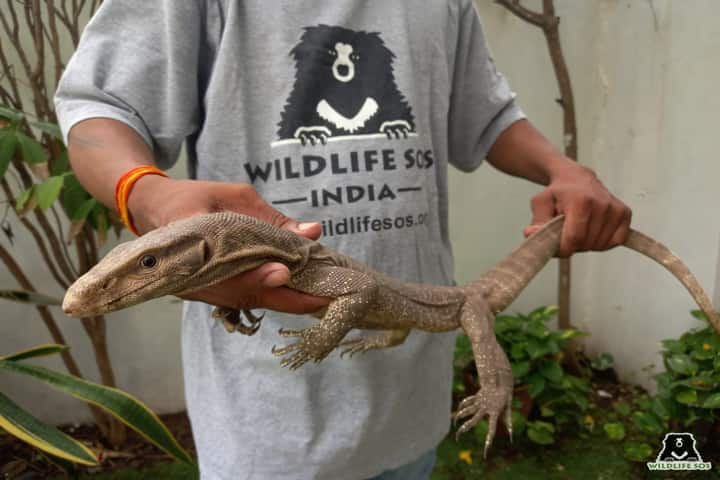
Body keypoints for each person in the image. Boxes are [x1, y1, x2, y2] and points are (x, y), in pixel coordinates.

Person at [55, 1, 631, 479]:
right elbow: (101, 104)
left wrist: (562, 169)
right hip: (266, 423)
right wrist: (146, 194)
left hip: (411, 400)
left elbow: (487, 114)